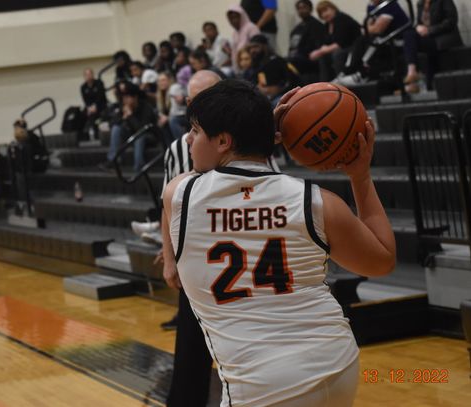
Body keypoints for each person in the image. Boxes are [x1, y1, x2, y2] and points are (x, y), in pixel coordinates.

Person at [162, 80, 396, 406]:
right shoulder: (316, 201)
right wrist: (360, 178)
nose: (188, 138)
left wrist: (257, 128)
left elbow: (182, 189)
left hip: (259, 383)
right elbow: (381, 260)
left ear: (223, 140)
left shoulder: (181, 195)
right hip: (337, 362)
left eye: (196, 130)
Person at [161, 70, 222, 407]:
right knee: (190, 353)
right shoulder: (177, 150)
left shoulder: (245, 142)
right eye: (198, 97)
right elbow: (167, 207)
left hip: (236, 254)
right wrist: (168, 256)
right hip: (195, 260)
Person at [334, 0, 411, 87]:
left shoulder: (390, 5)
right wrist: (369, 28)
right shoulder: (371, 6)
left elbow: (377, 29)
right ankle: (345, 72)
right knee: (360, 40)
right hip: (382, 39)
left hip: (398, 39)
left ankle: (362, 74)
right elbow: (366, 28)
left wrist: (369, 28)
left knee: (374, 42)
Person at [403, 0, 462, 91]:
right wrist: (418, 27)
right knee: (408, 34)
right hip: (428, 37)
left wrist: (430, 30)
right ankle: (412, 72)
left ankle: (415, 81)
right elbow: (420, 22)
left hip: (442, 37)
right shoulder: (420, 3)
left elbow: (451, 21)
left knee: (413, 42)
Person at [100, 81, 157, 173]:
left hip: (148, 136)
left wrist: (130, 116)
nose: (125, 100)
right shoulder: (124, 107)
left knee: (139, 136)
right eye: (123, 98)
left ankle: (139, 167)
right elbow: (113, 124)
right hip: (132, 135)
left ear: (135, 98)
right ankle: (113, 161)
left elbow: (143, 129)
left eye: (127, 97)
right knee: (116, 128)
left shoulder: (145, 107)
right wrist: (123, 118)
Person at [309, 1, 361, 81]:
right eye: (321, 12)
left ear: (333, 8)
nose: (324, 14)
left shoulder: (342, 19)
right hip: (342, 48)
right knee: (323, 57)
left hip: (354, 47)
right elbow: (325, 43)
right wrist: (321, 50)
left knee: (337, 54)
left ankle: (341, 81)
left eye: (326, 10)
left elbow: (340, 43)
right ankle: (325, 84)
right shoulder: (327, 25)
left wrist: (320, 51)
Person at [287, 0, 326, 79]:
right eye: (299, 8)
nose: (301, 10)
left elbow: (317, 45)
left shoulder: (317, 25)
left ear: (310, 9)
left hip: (307, 58)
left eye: (304, 7)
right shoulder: (296, 29)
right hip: (294, 57)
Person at [227, 4, 261, 73]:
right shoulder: (235, 33)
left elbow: (258, 46)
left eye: (235, 17)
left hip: (254, 68)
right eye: (230, 19)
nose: (233, 21)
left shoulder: (251, 27)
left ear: (242, 16)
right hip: (240, 68)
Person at [81, 68, 108, 139]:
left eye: (90, 74)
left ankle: (98, 133)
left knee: (97, 114)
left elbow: (101, 97)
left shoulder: (99, 83)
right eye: (86, 75)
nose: (88, 76)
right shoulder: (83, 87)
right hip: (90, 107)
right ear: (84, 76)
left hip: (101, 105)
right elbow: (85, 100)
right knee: (83, 113)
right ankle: (85, 134)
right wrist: (89, 107)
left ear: (93, 75)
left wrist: (95, 106)